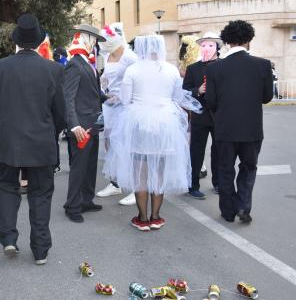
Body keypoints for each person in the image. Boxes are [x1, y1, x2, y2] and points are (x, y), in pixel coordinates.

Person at [0, 13, 66, 265]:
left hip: (9, 140)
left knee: (7, 188)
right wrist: (49, 134)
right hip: (41, 143)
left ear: (16, 41)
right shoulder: (53, 69)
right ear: (39, 41)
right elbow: (60, 113)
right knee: (40, 194)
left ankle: (8, 238)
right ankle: (40, 249)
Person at [103, 35, 193, 232]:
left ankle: (142, 218)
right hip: (164, 125)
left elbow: (125, 100)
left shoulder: (133, 69)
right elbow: (177, 98)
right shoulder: (170, 70)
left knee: (140, 173)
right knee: (158, 173)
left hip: (139, 124)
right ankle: (156, 217)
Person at [205, 20, 273, 223]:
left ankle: (228, 211)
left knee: (225, 169)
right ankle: (243, 206)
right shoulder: (262, 65)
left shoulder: (215, 68)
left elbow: (211, 101)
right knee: (248, 168)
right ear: (248, 40)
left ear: (227, 41)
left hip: (225, 129)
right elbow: (267, 97)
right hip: (252, 130)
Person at [62, 24, 106, 223]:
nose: (96, 44)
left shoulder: (87, 63)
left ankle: (86, 200)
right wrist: (74, 125)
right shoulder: (75, 64)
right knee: (79, 167)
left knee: (89, 167)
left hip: (93, 123)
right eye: (94, 39)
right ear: (86, 39)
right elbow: (67, 98)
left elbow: (92, 92)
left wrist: (107, 97)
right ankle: (72, 206)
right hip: (81, 127)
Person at [96, 23, 138, 206]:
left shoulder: (130, 56)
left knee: (128, 145)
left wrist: (121, 97)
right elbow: (107, 77)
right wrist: (103, 82)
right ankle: (116, 183)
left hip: (126, 106)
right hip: (109, 105)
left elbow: (137, 81)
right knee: (110, 143)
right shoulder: (107, 54)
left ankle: (137, 188)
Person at [183, 32, 223, 199]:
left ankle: (218, 183)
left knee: (219, 151)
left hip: (220, 116)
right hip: (200, 116)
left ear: (217, 48)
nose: (206, 48)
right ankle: (193, 185)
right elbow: (184, 91)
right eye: (204, 45)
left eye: (211, 45)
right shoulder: (193, 68)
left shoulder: (225, 66)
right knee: (196, 151)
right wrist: (197, 90)